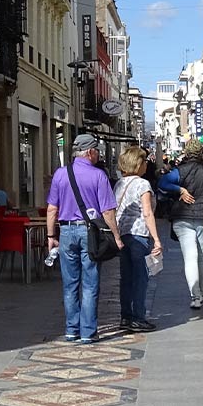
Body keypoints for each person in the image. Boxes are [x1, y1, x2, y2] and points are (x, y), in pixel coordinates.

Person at [46, 134, 124, 344]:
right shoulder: (99, 176)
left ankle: (72, 329)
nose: (98, 154)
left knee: (69, 284)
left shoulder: (60, 174)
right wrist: (116, 236)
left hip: (66, 232)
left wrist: (51, 235)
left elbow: (52, 209)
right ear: (90, 152)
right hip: (90, 233)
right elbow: (108, 212)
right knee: (90, 283)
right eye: (97, 150)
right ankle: (88, 331)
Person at [112, 145, 165, 333]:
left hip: (122, 234)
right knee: (141, 277)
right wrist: (156, 239)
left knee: (126, 277)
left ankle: (126, 316)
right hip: (138, 234)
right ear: (138, 163)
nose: (146, 165)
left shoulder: (119, 183)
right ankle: (138, 317)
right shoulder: (143, 184)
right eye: (144, 161)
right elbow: (147, 212)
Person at [164, 138, 203, 310]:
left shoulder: (180, 170)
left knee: (190, 257)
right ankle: (202, 291)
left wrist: (179, 189)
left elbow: (163, 183)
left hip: (183, 217)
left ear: (186, 153)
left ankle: (195, 296)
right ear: (201, 153)